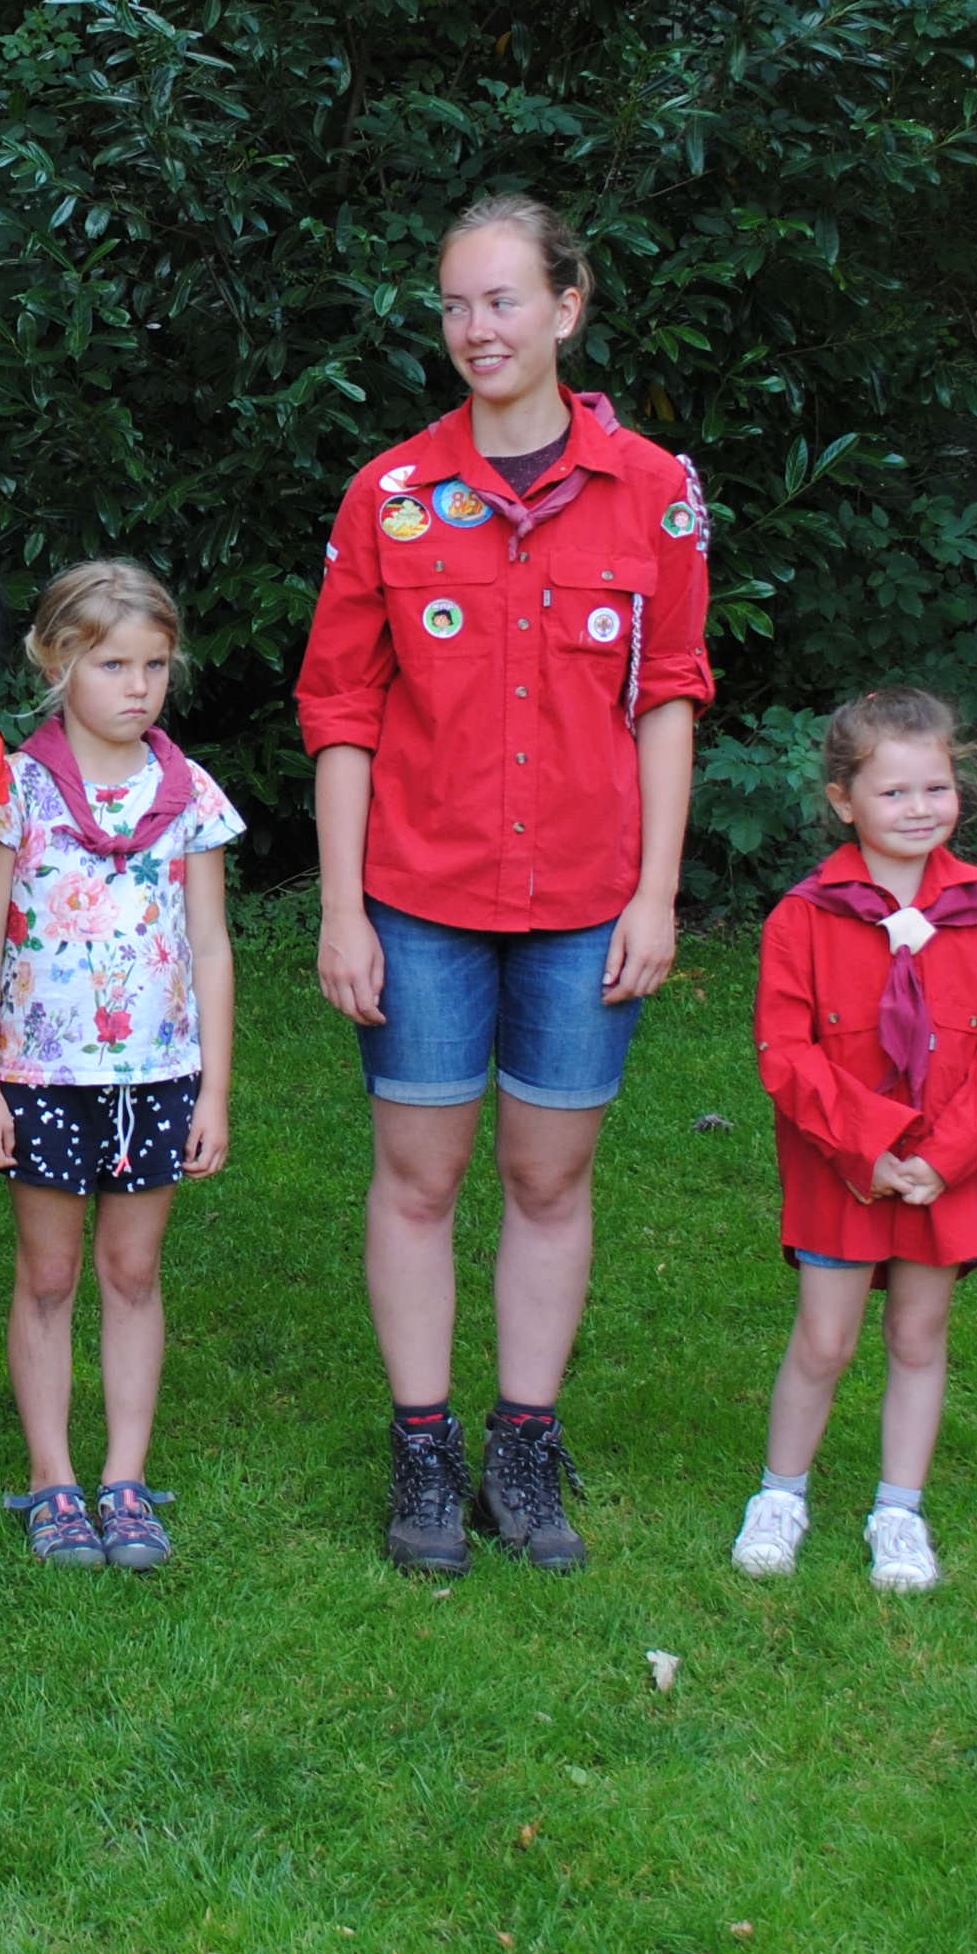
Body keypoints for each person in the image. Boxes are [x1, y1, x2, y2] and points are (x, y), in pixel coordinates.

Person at [295, 193, 712, 1576]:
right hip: (419, 898)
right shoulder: (390, 496)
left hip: (587, 900)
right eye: (456, 304)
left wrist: (655, 893)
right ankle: (424, 1447)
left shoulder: (650, 491)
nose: (476, 328)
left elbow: (668, 695)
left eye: (503, 300)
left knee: (550, 1174)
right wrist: (342, 908)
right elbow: (342, 708)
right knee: (418, 1178)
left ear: (566, 308)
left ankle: (524, 1445)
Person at [730, 689, 977, 1595]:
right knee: (824, 1340)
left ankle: (898, 1510)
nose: (919, 809)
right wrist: (867, 1148)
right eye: (894, 792)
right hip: (845, 1167)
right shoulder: (803, 919)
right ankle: (780, 1495)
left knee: (918, 1334)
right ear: (844, 801)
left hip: (948, 1171)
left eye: (935, 788)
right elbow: (785, 1051)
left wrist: (944, 1159)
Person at [0, 561, 240, 1573]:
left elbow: (210, 945)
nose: (138, 687)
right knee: (48, 1275)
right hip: (41, 1074)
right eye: (112, 664)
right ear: (55, 663)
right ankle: (51, 1478)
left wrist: (213, 1089)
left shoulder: (189, 794)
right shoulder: (13, 790)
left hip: (157, 1077)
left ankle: (123, 1478)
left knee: (131, 1271)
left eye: (154, 665)